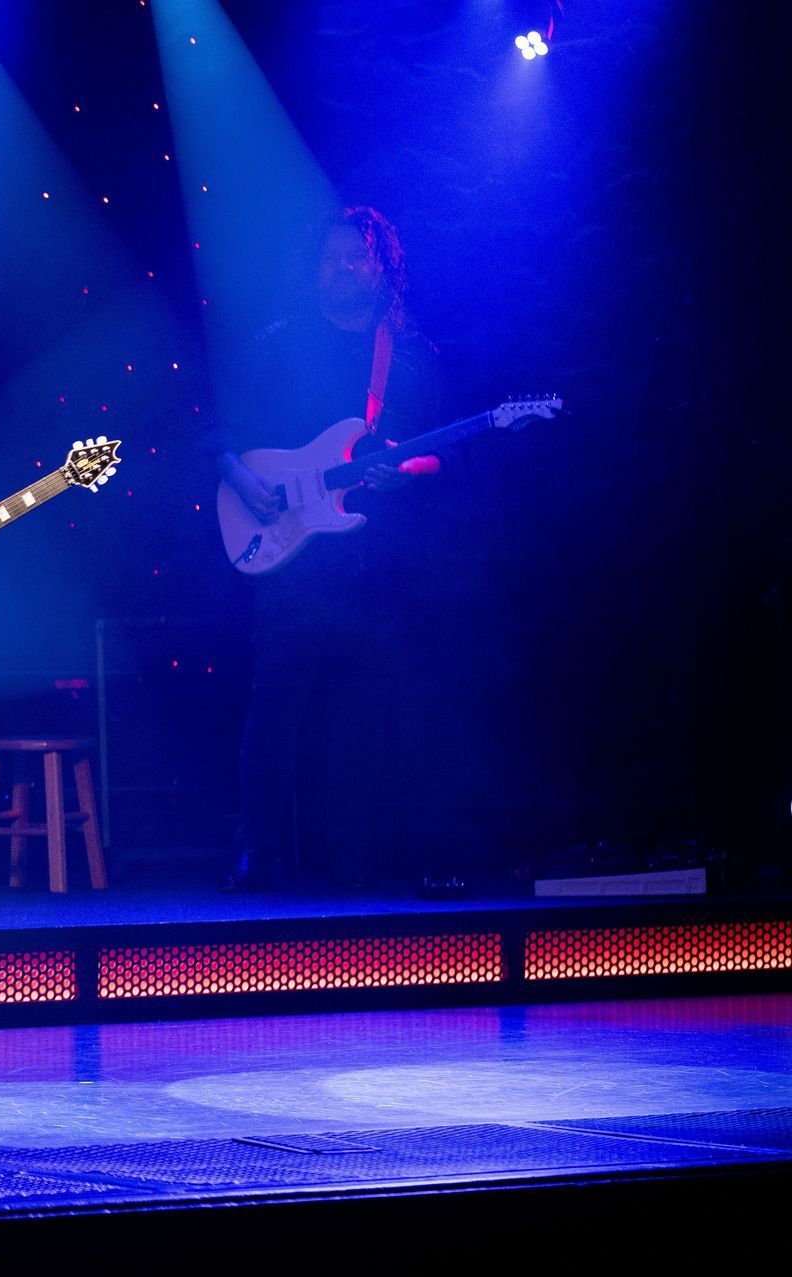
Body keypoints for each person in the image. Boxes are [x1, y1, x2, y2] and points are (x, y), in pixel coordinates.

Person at [215, 206, 445, 891]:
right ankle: (255, 848)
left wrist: (407, 472)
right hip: (289, 556)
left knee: (362, 709)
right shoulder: (279, 344)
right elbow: (218, 433)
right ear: (313, 270)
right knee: (276, 701)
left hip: (373, 559)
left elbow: (442, 454)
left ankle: (353, 854)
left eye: (356, 258)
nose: (342, 269)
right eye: (331, 258)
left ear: (382, 269)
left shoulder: (407, 355)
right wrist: (243, 479)